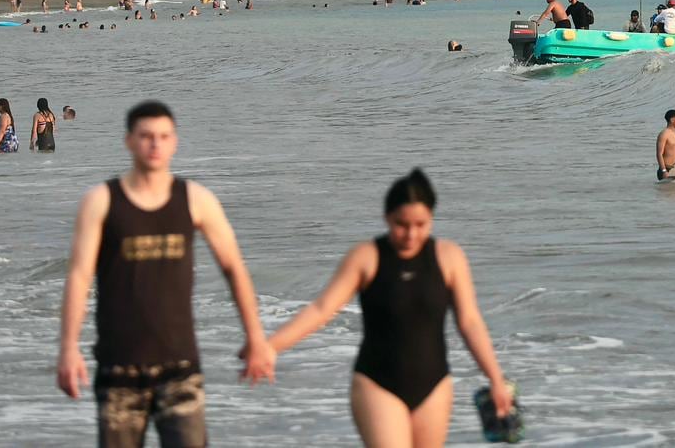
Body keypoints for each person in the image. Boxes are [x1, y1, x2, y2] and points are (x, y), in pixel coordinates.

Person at [56, 101, 274, 447]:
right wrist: (68, 348)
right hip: (118, 368)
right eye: (146, 136)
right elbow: (79, 276)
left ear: (174, 141)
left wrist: (256, 337)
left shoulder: (196, 200)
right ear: (129, 140)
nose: (155, 145)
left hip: (181, 367)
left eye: (163, 136)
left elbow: (234, 268)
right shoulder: (101, 201)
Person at [265, 169, 513, 447]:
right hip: (377, 385)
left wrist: (496, 378)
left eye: (421, 224)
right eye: (401, 224)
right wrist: (269, 347)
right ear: (386, 217)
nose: (410, 234)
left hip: (435, 386)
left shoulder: (449, 257)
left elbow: (469, 322)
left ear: (431, 218)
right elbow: (321, 309)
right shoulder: (366, 257)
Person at [656, 109, 675, 180]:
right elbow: (659, 154)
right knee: (666, 191)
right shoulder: (664, 134)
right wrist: (664, 170)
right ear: (672, 120)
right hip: (667, 168)